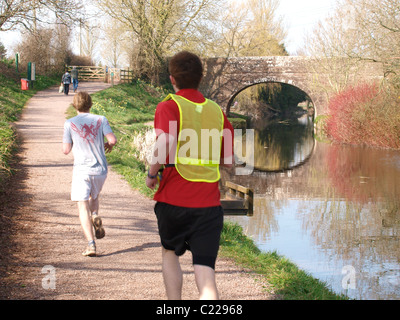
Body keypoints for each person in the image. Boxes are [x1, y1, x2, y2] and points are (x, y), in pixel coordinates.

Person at [146, 51, 234, 300]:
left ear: (172, 79)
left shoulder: (169, 106)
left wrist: (152, 173)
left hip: (173, 201)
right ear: (200, 79)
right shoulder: (217, 112)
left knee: (169, 254)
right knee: (206, 273)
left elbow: (165, 141)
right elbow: (228, 162)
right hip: (208, 206)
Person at [63, 91, 117, 256]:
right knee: (94, 197)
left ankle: (91, 244)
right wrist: (109, 145)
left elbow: (65, 150)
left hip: (82, 170)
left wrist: (72, 142)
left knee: (82, 205)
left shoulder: (69, 123)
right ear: (90, 104)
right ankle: (95, 215)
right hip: (100, 169)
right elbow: (112, 140)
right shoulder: (101, 119)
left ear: (74, 106)